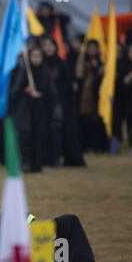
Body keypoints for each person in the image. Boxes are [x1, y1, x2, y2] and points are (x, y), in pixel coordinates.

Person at [9, 47, 57, 173]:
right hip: (25, 111)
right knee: (25, 135)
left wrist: (39, 94)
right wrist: (26, 90)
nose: (36, 59)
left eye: (38, 56)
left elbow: (52, 93)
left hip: (39, 112)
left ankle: (37, 164)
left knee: (38, 137)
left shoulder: (45, 73)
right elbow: (14, 92)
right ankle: (25, 162)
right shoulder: (24, 72)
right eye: (34, 56)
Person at [42, 36, 85, 167]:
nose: (48, 48)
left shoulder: (62, 63)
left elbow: (67, 83)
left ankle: (58, 158)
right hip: (44, 104)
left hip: (60, 104)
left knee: (59, 132)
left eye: (51, 45)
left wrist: (55, 92)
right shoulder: (40, 63)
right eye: (46, 45)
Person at [75, 40, 108, 153]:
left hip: (98, 96)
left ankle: (99, 146)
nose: (92, 50)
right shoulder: (83, 61)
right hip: (85, 97)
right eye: (90, 48)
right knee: (85, 122)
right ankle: (86, 145)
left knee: (97, 122)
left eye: (94, 48)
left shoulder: (101, 62)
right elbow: (78, 75)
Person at [119, 43, 132, 156]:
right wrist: (129, 77)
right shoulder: (124, 66)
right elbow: (121, 83)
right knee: (131, 122)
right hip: (128, 100)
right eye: (131, 51)